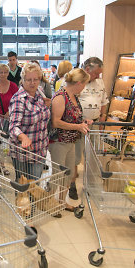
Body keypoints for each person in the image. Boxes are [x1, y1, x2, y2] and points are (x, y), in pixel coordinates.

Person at [49, 68, 91, 209]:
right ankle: (48, 202)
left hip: (71, 141)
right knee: (57, 174)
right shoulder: (61, 97)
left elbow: (74, 117)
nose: (85, 87)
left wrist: (84, 122)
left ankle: (61, 201)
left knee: (69, 173)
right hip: (59, 142)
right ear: (79, 83)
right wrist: (78, 127)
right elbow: (56, 122)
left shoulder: (73, 96)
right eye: (84, 84)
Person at [9, 62, 50, 182]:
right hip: (23, 153)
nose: (32, 83)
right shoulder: (18, 100)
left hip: (40, 149)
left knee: (35, 186)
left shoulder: (40, 92)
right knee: (24, 188)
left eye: (36, 79)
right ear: (22, 80)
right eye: (28, 80)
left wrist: (47, 105)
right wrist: (23, 137)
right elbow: (13, 127)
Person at [75, 57, 108, 177]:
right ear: (87, 69)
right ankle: (73, 180)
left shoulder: (100, 82)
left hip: (95, 123)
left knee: (94, 153)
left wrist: (102, 117)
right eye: (96, 73)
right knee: (76, 154)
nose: (98, 76)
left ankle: (91, 179)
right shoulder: (76, 80)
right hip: (78, 124)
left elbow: (104, 101)